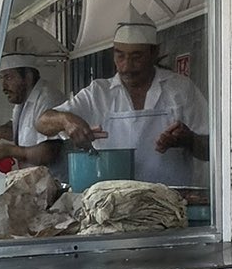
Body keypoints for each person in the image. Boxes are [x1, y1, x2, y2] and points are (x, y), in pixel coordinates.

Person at [37, 13, 209, 188]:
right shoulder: (99, 93)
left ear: (154, 52)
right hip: (113, 203)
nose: (127, 67)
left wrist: (188, 140)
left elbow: (212, 149)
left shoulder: (180, 89)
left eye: (136, 57)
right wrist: (66, 121)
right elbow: (42, 123)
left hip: (171, 203)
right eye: (120, 56)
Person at [0, 25, 64, 170]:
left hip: (53, 184)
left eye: (9, 77)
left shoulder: (48, 99)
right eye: (2, 78)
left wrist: (12, 151)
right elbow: (23, 127)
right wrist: (4, 129)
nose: (4, 86)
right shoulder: (21, 101)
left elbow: (51, 151)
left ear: (28, 77)